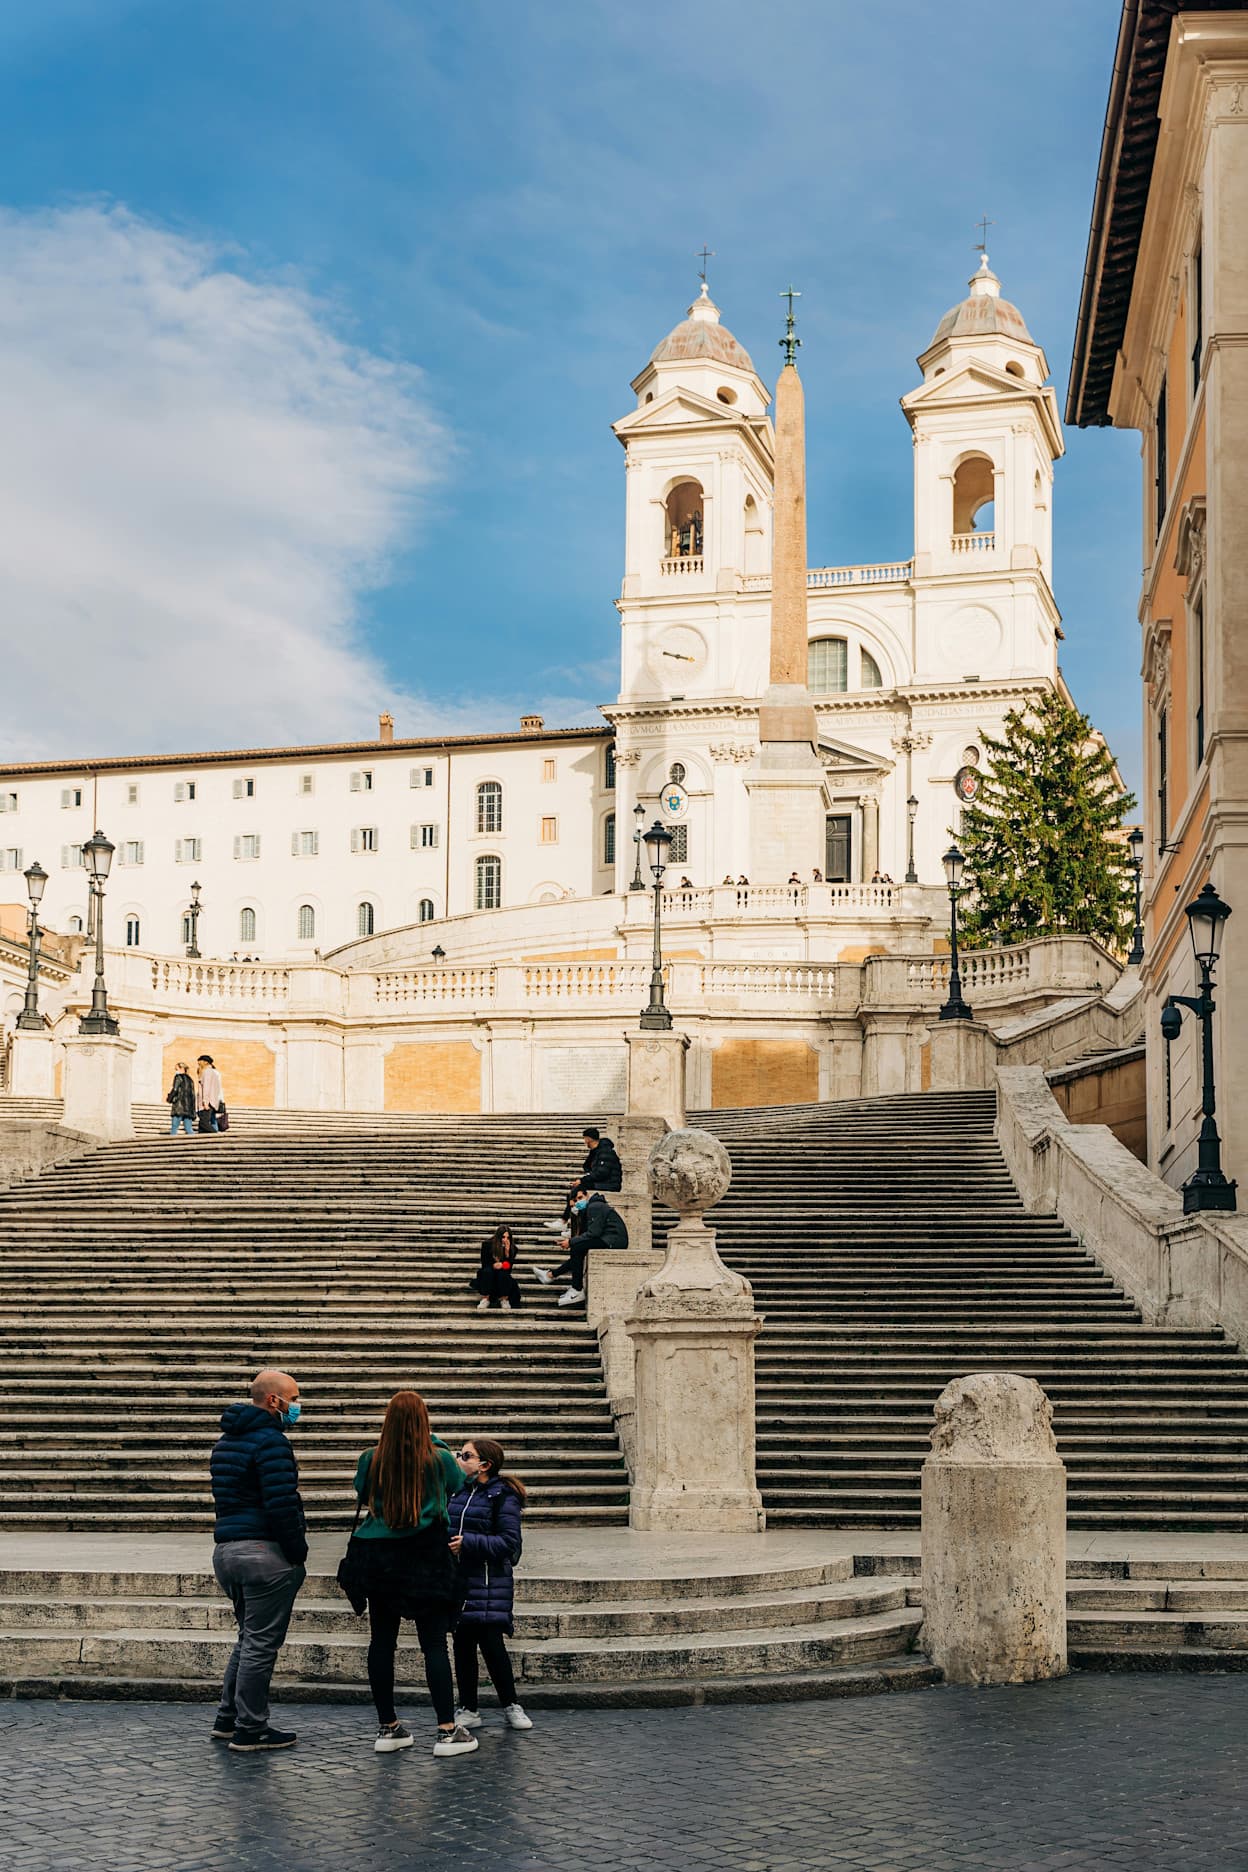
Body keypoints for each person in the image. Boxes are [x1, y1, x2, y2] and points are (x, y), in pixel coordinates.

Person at [352, 1390, 476, 1758]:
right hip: (426, 1554)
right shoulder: (438, 1458)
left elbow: (362, 1491)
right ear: (424, 1421)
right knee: (434, 1644)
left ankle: (388, 1727)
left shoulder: (370, 1458)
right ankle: (447, 1730)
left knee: (381, 1641)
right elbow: (457, 1484)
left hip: (380, 1556)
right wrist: (434, 1441)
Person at [210, 1369, 308, 1752]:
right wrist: (297, 1552)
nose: (297, 1406)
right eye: (293, 1399)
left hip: (228, 1550)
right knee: (261, 1644)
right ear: (273, 1400)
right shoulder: (272, 1442)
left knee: (248, 1639)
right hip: (263, 1553)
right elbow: (281, 1503)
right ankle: (251, 1728)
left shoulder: (226, 1441)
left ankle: (228, 1718)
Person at [448, 1439, 531, 1734]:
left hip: (488, 1582)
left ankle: (511, 1704)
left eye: (466, 1455)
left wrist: (468, 1543)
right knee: (462, 1646)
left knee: (493, 1645)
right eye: (459, 1454)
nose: (459, 1459)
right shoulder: (457, 1491)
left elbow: (509, 1543)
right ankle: (468, 1708)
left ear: (484, 1465)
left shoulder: (503, 1495)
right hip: (458, 1581)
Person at [532, 1190, 629, 1307]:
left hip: (614, 1240)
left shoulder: (595, 1206)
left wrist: (571, 1242)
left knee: (577, 1248)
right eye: (575, 1201)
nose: (578, 1202)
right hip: (609, 1239)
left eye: (580, 1198)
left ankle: (576, 1288)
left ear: (587, 1195)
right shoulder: (590, 1208)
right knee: (578, 1249)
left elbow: (593, 1233)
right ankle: (551, 1276)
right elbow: (587, 1234)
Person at [542, 1127, 623, 1235]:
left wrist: (582, 1180)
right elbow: (588, 1167)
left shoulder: (605, 1151)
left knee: (578, 1193)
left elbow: (602, 1173)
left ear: (588, 1138)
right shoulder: (596, 1151)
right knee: (575, 1193)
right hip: (603, 1182)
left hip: (610, 1184)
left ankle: (565, 1222)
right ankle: (569, 1224)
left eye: (585, 1138)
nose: (584, 1141)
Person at [472, 1224, 523, 1312]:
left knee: (503, 1274)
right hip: (489, 1270)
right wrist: (493, 1265)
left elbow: (509, 1268)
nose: (505, 1240)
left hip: (502, 1273)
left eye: (508, 1237)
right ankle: (485, 1298)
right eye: (503, 1237)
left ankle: (504, 1299)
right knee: (487, 1272)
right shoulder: (487, 1245)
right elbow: (484, 1263)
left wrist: (507, 1253)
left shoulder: (512, 1248)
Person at [166, 1060, 196, 1137]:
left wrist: (169, 1098)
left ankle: (172, 1142)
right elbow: (192, 1094)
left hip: (179, 1106)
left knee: (174, 1128)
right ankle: (196, 1141)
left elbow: (175, 1089)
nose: (176, 1071)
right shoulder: (190, 1079)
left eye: (176, 1069)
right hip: (189, 1107)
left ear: (181, 1068)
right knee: (188, 1128)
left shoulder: (178, 1077)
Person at [197, 1054, 223, 1134]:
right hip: (212, 1101)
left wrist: (205, 1102)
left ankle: (217, 1135)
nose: (198, 1063)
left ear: (205, 1062)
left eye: (200, 1061)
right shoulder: (214, 1073)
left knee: (203, 1123)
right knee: (201, 1127)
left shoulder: (207, 1072)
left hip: (207, 1102)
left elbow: (206, 1088)